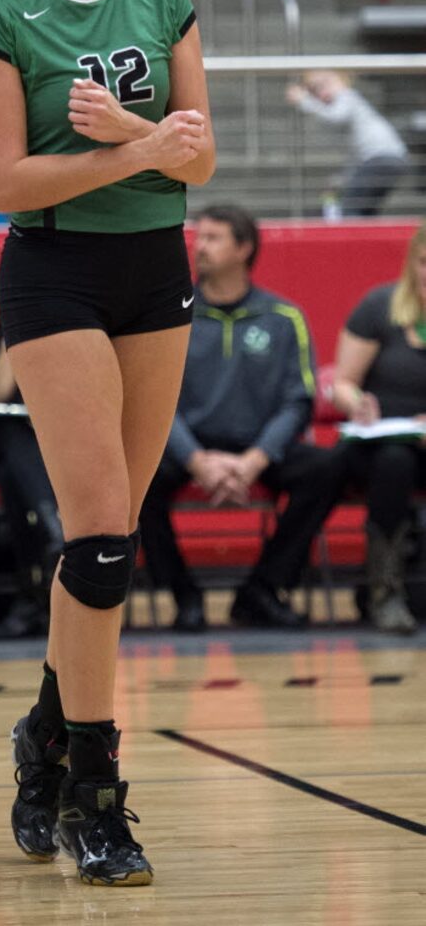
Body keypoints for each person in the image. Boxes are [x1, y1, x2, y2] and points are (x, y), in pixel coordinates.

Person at [0, 0, 215, 885]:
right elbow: (6, 184)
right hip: (55, 273)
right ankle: (94, 797)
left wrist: (135, 140)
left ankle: (42, 733)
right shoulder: (0, 14)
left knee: (102, 554)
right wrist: (135, 146)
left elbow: (198, 159)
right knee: (102, 537)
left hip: (155, 272)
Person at [138, 206, 348, 632]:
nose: (199, 246)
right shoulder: (168, 314)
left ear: (244, 249)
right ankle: (183, 594)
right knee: (136, 479)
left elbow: (297, 402)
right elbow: (155, 400)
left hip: (258, 445)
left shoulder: (284, 318)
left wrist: (255, 460)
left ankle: (263, 589)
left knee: (327, 468)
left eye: (213, 238)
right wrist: (197, 461)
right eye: (199, 237)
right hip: (188, 445)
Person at [329, 219, 426, 632]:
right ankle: (385, 589)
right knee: (394, 462)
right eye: (424, 261)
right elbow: (342, 383)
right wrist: (358, 404)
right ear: (411, 264)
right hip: (381, 441)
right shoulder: (379, 307)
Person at [0, 321, 63, 638]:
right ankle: (57, 532)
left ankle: (29, 598)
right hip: (14, 435)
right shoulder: (14, 315)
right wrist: (18, 327)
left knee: (13, 478)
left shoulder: (87, 315)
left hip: (66, 438)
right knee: (14, 445)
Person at [285, 69, 409, 216]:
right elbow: (356, 153)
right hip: (384, 160)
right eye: (314, 90)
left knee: (350, 207)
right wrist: (343, 178)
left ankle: (356, 236)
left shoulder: (346, 96)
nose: (319, 93)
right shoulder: (346, 101)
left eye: (322, 85)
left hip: (382, 159)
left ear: (338, 80)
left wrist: (304, 101)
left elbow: (335, 116)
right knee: (363, 208)